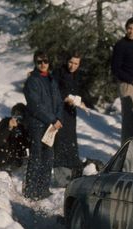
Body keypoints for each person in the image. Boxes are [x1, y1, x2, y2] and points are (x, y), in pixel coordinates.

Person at [23, 50, 63, 200]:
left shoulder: (52, 79)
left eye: (45, 61)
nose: (43, 64)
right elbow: (35, 105)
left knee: (48, 157)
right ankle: (31, 191)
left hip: (52, 125)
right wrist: (52, 119)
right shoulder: (32, 80)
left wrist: (59, 119)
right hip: (38, 124)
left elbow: (59, 101)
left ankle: (43, 189)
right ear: (35, 63)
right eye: (39, 62)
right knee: (36, 156)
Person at [53, 52, 89, 186]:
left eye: (76, 64)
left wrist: (81, 102)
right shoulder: (59, 72)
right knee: (61, 141)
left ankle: (73, 174)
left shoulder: (77, 75)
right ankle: (62, 176)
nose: (72, 66)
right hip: (59, 111)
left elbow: (80, 93)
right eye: (71, 62)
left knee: (71, 140)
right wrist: (66, 97)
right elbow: (54, 90)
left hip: (71, 112)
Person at [0, 103, 30, 172]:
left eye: (20, 117)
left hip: (19, 160)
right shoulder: (5, 123)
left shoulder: (25, 126)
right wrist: (9, 128)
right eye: (16, 116)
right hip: (4, 159)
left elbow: (29, 144)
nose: (18, 120)